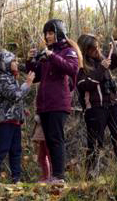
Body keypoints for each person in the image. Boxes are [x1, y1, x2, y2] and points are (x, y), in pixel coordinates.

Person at [26, 19, 80, 184]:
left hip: (59, 102)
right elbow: (35, 76)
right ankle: (51, 177)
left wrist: (52, 56)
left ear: (59, 33)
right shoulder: (47, 53)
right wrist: (30, 60)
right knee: (48, 140)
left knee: (56, 138)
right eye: (46, 33)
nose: (48, 36)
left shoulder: (68, 51)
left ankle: (59, 176)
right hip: (44, 103)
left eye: (51, 32)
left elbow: (72, 69)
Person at [76, 34, 117, 173]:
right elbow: (85, 85)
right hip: (95, 109)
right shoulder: (80, 66)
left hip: (114, 105)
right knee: (95, 143)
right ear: (85, 50)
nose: (97, 50)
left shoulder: (104, 59)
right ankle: (90, 176)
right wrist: (101, 68)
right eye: (93, 48)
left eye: (98, 47)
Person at [0, 49, 34, 183]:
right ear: (6, 63)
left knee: (16, 150)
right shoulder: (2, 78)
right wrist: (27, 84)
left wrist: (23, 109)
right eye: (13, 61)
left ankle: (16, 178)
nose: (16, 63)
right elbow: (15, 95)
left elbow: (14, 98)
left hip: (15, 119)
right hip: (6, 120)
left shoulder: (11, 78)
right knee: (2, 148)